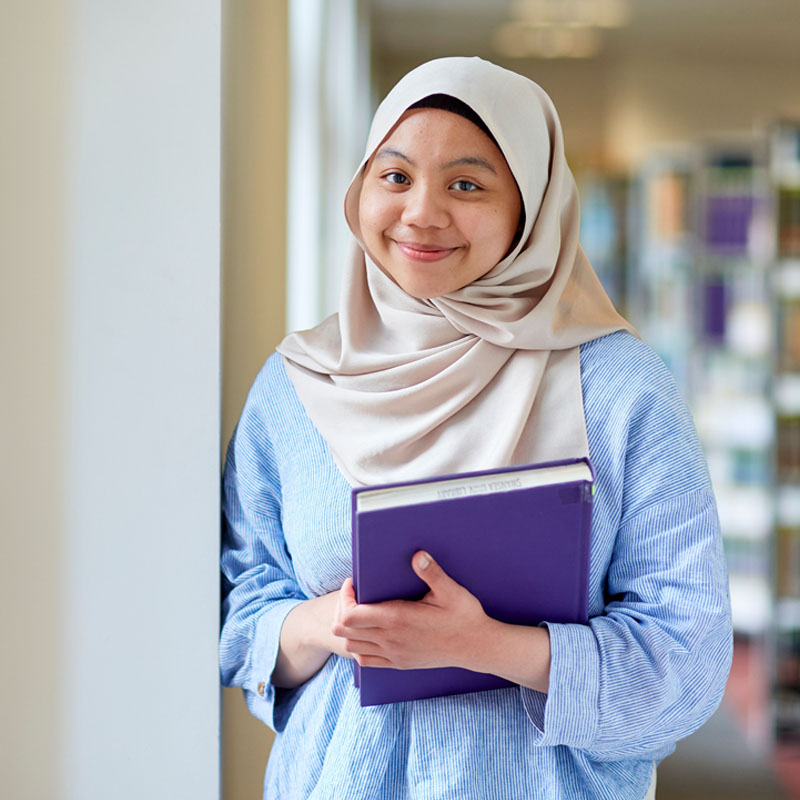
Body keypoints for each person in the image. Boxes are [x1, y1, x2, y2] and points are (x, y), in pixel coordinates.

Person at [220, 56, 732, 800]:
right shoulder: (296, 386)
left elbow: (686, 657)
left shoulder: (619, 388)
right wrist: (329, 623)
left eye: (467, 184)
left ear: (531, 206)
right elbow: (243, 608)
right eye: (395, 176)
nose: (422, 213)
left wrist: (490, 647)